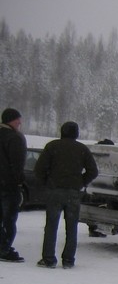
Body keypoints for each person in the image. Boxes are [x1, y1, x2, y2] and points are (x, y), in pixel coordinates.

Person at [34, 121, 99, 269]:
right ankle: (69, 259)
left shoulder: (52, 146)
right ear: (76, 133)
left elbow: (39, 169)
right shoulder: (82, 149)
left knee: (51, 225)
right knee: (71, 226)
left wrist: (47, 182)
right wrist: (80, 182)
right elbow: (93, 171)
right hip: (73, 192)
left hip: (55, 190)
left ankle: (49, 258)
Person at [0, 108, 27, 262]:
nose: (20, 122)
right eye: (18, 119)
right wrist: (19, 181)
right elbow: (17, 164)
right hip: (8, 185)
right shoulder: (14, 138)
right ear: (11, 120)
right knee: (9, 218)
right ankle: (4, 249)